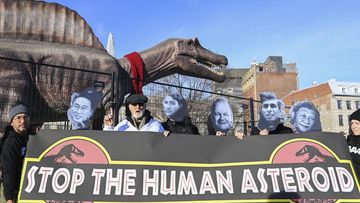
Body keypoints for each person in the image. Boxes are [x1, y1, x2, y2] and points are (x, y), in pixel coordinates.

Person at [1, 104, 31, 203]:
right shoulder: (10, 143)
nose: (22, 121)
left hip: (31, 189)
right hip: (17, 193)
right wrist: (9, 198)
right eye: (18, 117)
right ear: (12, 122)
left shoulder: (31, 137)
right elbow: (9, 171)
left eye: (25, 117)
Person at [347, 108, 360, 181]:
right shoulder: (348, 141)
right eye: (352, 123)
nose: (353, 126)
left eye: (357, 123)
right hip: (349, 184)